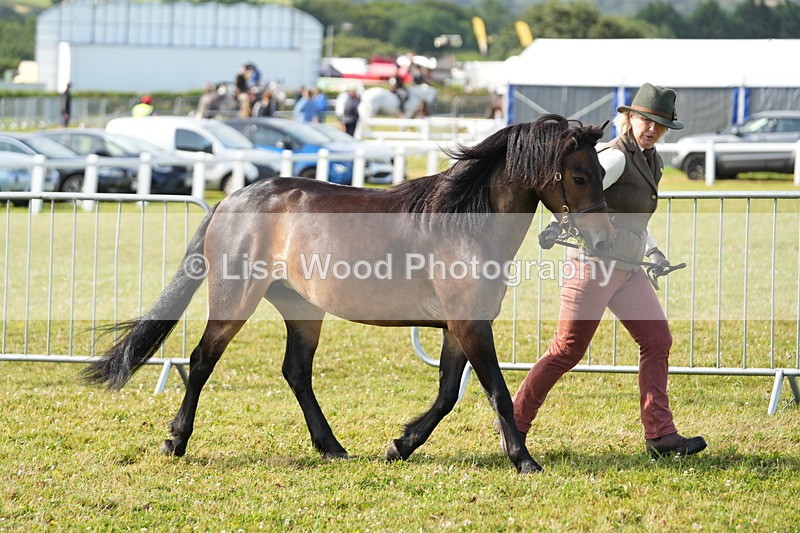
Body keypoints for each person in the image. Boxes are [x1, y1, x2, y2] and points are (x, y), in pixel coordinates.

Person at [498, 83, 708, 459]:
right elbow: (578, 201)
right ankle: (513, 423)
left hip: (628, 270)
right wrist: (558, 226)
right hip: (593, 267)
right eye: (646, 120)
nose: (652, 130)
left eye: (660, 125)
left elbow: (635, 220)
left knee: (657, 340)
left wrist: (655, 251)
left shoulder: (651, 159)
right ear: (629, 118)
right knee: (567, 350)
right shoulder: (612, 158)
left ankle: (661, 435)